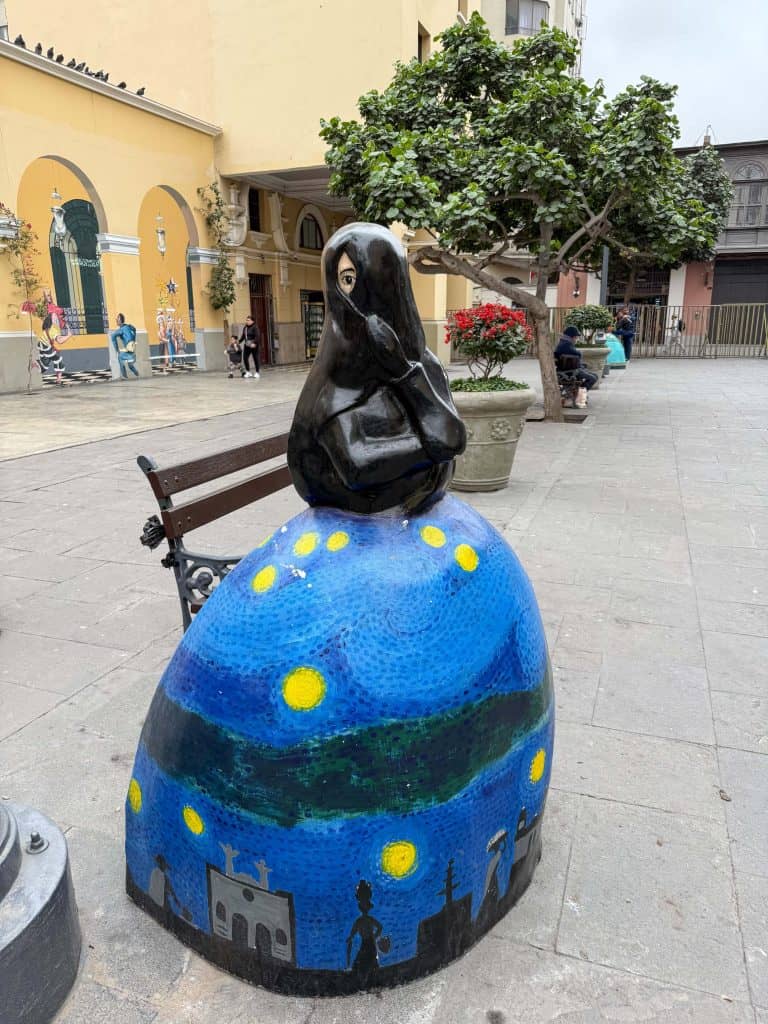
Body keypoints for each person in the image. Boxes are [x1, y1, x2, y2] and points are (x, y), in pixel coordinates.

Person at [287, 222, 466, 515]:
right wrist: (432, 448)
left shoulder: (423, 364)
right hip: (353, 509)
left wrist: (404, 374)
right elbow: (357, 467)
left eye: (359, 277)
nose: (354, 297)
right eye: (345, 280)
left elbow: (453, 436)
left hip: (414, 513)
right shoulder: (336, 383)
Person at [554, 326, 598, 390]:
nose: (576, 339)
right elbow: (578, 354)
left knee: (595, 376)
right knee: (593, 378)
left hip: (570, 369)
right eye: (576, 337)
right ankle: (580, 394)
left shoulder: (564, 342)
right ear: (572, 336)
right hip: (571, 371)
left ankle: (578, 392)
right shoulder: (566, 344)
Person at [37, 313, 67, 384]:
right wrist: (69, 335)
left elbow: (51, 340)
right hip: (45, 346)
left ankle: (34, 364)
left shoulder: (49, 328)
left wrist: (54, 347)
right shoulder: (52, 328)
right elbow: (57, 340)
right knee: (58, 359)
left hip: (43, 346)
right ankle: (58, 379)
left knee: (45, 365)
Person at [110, 313, 139, 378]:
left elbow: (113, 336)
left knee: (120, 357)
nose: (116, 319)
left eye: (118, 318)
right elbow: (134, 329)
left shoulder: (122, 329)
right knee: (130, 365)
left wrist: (117, 350)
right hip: (132, 350)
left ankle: (124, 377)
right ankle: (137, 373)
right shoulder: (129, 327)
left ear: (120, 320)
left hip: (130, 350)